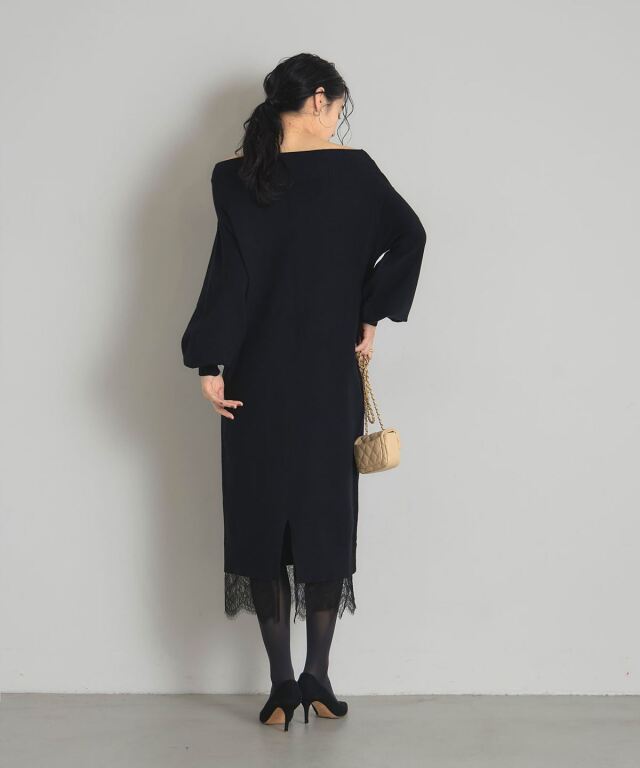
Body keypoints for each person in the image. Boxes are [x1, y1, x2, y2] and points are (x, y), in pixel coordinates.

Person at [181, 52, 427, 731]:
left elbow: (228, 277)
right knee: (325, 515)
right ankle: (319, 676)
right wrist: (370, 315)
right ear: (318, 99)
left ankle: (281, 687)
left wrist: (210, 362)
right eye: (338, 106)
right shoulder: (356, 171)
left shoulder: (234, 176)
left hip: (255, 375)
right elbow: (410, 235)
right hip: (326, 374)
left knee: (261, 517)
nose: (338, 117)